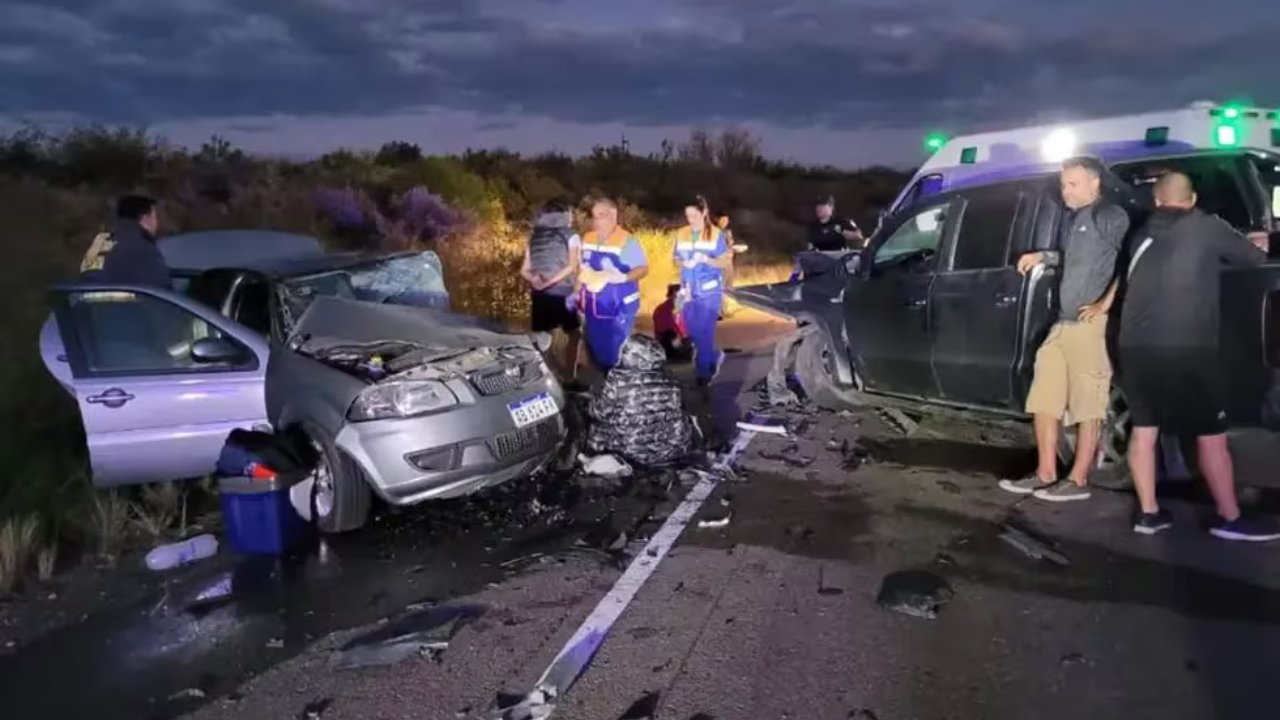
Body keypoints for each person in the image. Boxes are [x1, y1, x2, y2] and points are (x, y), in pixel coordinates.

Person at [1117, 171, 1279, 540]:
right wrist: (1250, 241)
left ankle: (1149, 514)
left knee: (1144, 431)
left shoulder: (1140, 234)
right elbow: (1255, 259)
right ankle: (1230, 518)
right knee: (1211, 435)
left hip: (1136, 347)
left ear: (1157, 201)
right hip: (1189, 346)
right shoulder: (1206, 226)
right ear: (1192, 200)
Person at [1000, 157, 1128, 502]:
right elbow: (1073, 257)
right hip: (1063, 322)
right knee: (1044, 398)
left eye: (1072, 184)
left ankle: (1079, 480)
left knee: (1089, 405)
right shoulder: (1077, 220)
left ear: (1095, 184)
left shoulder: (1110, 216)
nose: (1065, 191)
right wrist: (1044, 256)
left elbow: (1132, 259)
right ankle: (1045, 473)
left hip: (1091, 326)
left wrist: (1105, 303)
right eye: (1063, 185)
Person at [577, 198, 649, 371]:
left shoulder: (626, 241)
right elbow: (580, 266)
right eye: (594, 216)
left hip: (619, 308)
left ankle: (620, 386)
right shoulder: (588, 238)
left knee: (616, 352)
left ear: (613, 215)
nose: (596, 221)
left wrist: (622, 278)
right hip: (594, 305)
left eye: (601, 216)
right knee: (596, 349)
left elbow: (643, 269)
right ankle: (604, 384)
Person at [673, 196, 733, 386]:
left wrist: (707, 260)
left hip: (709, 290)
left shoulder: (716, 235)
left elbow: (724, 261)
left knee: (705, 330)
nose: (691, 220)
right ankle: (714, 355)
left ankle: (703, 372)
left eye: (695, 215)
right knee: (691, 330)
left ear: (704, 212)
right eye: (688, 216)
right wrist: (683, 262)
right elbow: (675, 258)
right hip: (688, 289)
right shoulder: (681, 233)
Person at [521, 199, 582, 382]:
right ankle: (569, 378)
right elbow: (572, 266)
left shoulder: (535, 237)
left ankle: (540, 379)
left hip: (539, 295)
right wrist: (550, 283)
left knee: (543, 337)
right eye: (569, 213)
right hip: (562, 292)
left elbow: (524, 270)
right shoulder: (571, 236)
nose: (571, 217)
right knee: (575, 333)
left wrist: (536, 281)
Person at [87, 194, 171, 288]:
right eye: (155, 217)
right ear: (145, 219)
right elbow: (162, 289)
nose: (157, 223)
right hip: (126, 302)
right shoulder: (145, 248)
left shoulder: (100, 243)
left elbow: (87, 277)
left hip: (90, 301)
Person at [653, 284, 691, 362]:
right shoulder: (666, 308)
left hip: (665, 339)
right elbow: (671, 326)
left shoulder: (671, 307)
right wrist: (683, 337)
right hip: (667, 339)